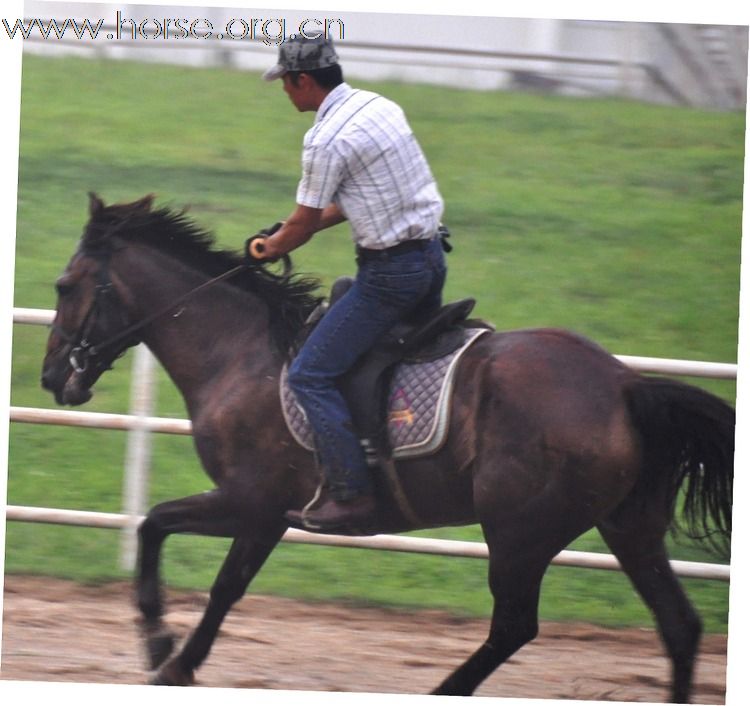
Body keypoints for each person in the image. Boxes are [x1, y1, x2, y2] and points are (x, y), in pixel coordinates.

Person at [247, 35, 447, 533]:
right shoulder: (380, 107)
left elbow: (304, 222)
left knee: (310, 374)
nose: (285, 92)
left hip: (390, 277)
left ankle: (352, 495)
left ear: (304, 81)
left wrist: (267, 247)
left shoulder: (324, 139)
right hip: (430, 260)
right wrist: (290, 230)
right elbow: (353, 202)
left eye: (285, 83)